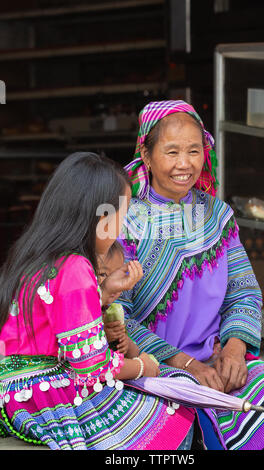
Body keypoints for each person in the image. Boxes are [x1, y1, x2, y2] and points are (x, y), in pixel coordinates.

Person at [116, 100, 264, 450]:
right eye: (171, 152)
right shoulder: (122, 219)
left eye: (193, 151)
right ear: (146, 153)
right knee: (173, 425)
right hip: (151, 367)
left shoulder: (217, 214)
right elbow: (116, 316)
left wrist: (234, 350)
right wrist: (185, 365)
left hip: (215, 362)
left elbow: (243, 291)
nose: (184, 164)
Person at [0, 151, 197, 450]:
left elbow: (55, 321)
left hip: (14, 393)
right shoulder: (76, 266)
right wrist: (143, 365)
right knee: (176, 413)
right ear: (99, 216)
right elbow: (92, 368)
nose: (122, 228)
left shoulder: (31, 258)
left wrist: (104, 294)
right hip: (50, 397)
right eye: (122, 214)